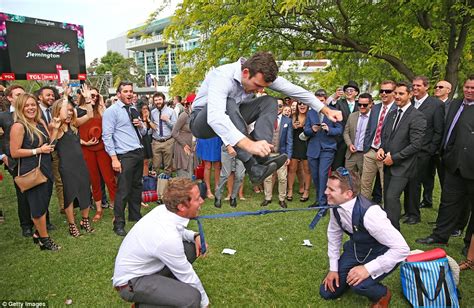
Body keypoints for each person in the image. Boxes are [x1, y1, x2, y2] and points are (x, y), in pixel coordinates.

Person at [190, 51, 342, 186]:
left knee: (269, 101)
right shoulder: (222, 76)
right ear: (245, 72)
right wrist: (248, 144)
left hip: (233, 113)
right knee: (228, 103)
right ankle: (252, 165)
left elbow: (295, 91)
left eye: (262, 86)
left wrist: (325, 109)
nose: (259, 90)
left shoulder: (260, 74)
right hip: (201, 121)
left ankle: (261, 158)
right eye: (257, 85)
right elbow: (215, 117)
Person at [113, 178, 209, 308]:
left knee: (190, 248)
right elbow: (187, 275)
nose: (202, 201)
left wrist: (194, 236)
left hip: (146, 272)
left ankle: (159, 296)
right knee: (192, 298)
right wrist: (205, 303)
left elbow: (179, 230)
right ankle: (143, 305)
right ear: (181, 206)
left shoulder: (164, 210)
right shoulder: (167, 237)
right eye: (197, 199)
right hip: (130, 284)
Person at [320, 168, 409, 307]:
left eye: (331, 189)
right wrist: (333, 268)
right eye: (327, 187)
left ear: (348, 194)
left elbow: (402, 249)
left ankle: (382, 293)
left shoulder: (371, 214)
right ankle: (351, 275)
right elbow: (334, 235)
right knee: (327, 292)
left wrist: (368, 269)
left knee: (359, 285)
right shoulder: (336, 206)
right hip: (357, 249)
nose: (326, 192)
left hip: (381, 252)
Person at [416, 75, 474, 245]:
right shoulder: (455, 104)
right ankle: (439, 236)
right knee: (447, 203)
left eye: (473, 88)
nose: (469, 91)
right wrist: (445, 153)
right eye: (467, 87)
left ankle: (469, 244)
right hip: (452, 163)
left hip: (471, 166)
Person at [10, 93, 59, 250]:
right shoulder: (18, 126)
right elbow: (15, 152)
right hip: (31, 171)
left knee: (43, 203)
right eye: (27, 105)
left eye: (33, 105)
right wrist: (37, 150)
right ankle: (45, 240)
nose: (31, 108)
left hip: (45, 168)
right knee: (38, 206)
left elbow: (49, 143)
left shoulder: (40, 122)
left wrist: (55, 130)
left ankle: (38, 234)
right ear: (20, 108)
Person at [377, 81, 426, 230]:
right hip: (388, 164)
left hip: (403, 166)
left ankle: (394, 235)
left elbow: (416, 145)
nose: (397, 96)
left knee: (392, 198)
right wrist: (381, 148)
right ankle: (387, 232)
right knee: (387, 199)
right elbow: (386, 137)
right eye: (396, 93)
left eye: (401, 94)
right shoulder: (392, 114)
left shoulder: (417, 116)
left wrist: (395, 158)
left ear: (410, 95)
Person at [103, 81, 147, 236]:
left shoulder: (133, 109)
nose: (129, 94)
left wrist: (141, 125)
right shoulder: (111, 111)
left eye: (131, 91)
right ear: (118, 94)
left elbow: (143, 133)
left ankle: (135, 216)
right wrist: (114, 159)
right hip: (124, 155)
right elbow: (107, 137)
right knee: (123, 190)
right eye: (126, 91)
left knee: (136, 187)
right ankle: (118, 224)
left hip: (138, 152)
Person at [50, 89, 95, 237]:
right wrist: (64, 96)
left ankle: (85, 220)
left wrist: (88, 100)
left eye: (71, 110)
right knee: (69, 195)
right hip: (67, 167)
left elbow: (90, 115)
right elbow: (51, 146)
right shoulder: (56, 127)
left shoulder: (74, 125)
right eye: (66, 110)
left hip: (81, 164)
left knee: (85, 191)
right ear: (58, 111)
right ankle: (72, 225)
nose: (69, 113)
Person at [78, 86, 117, 222]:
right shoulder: (78, 111)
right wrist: (84, 143)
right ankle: (99, 209)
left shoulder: (101, 111)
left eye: (95, 95)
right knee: (94, 180)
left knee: (109, 179)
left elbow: (110, 127)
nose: (93, 98)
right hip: (87, 150)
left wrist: (101, 105)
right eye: (91, 95)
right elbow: (72, 131)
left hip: (103, 149)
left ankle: (115, 208)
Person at [360, 81, 397, 202]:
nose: (384, 93)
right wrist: (367, 147)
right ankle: (363, 209)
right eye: (382, 91)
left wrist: (389, 151)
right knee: (365, 184)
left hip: (385, 154)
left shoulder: (398, 109)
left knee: (385, 185)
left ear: (394, 92)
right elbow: (370, 128)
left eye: (388, 91)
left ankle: (386, 214)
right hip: (370, 151)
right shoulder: (375, 108)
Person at [304, 92, 343, 208]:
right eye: (317, 101)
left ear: (326, 100)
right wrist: (312, 129)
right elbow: (306, 131)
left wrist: (328, 129)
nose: (319, 103)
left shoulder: (333, 111)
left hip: (328, 148)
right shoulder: (310, 113)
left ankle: (323, 204)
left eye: (321, 101)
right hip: (313, 149)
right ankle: (319, 199)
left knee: (323, 175)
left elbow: (339, 130)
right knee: (315, 176)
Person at [261, 98, 293, 208]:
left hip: (281, 154)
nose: (277, 108)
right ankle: (267, 198)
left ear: (283, 107)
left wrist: (288, 155)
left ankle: (282, 199)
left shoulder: (287, 121)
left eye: (279, 106)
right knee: (268, 177)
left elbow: (289, 140)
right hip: (268, 154)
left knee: (282, 178)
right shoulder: (266, 119)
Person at [37, 86, 64, 215]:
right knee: (44, 185)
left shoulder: (55, 110)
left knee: (60, 179)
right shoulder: (34, 112)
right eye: (48, 95)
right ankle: (43, 214)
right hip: (41, 154)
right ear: (40, 97)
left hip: (57, 150)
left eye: (52, 95)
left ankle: (64, 206)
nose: (51, 97)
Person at [331, 81, 360, 170]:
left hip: (355, 140)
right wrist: (334, 97)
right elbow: (330, 105)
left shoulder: (360, 104)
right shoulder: (339, 103)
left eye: (351, 90)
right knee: (337, 165)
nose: (349, 92)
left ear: (356, 93)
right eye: (346, 90)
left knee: (352, 168)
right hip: (340, 139)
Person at [343, 93, 373, 175]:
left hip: (365, 155)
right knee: (347, 180)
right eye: (360, 104)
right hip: (351, 154)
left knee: (363, 182)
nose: (362, 107)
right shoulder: (352, 116)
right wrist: (349, 144)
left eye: (365, 105)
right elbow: (346, 132)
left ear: (370, 104)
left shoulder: (374, 117)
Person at [287, 102, 311, 202]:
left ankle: (306, 191)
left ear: (308, 105)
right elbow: (288, 130)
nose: (302, 106)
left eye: (304, 104)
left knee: (307, 170)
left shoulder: (310, 116)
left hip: (307, 145)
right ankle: (290, 190)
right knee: (292, 169)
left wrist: (308, 129)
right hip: (295, 144)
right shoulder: (293, 116)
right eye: (300, 104)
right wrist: (293, 127)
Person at [150, 92, 177, 175]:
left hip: (168, 141)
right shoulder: (153, 112)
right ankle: (155, 186)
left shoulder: (171, 111)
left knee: (168, 166)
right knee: (155, 166)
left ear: (164, 100)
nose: (158, 102)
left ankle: (167, 185)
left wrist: (167, 120)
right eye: (156, 100)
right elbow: (151, 125)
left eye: (160, 99)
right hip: (156, 142)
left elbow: (176, 127)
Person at [171, 94, 195, 178]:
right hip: (182, 148)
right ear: (188, 104)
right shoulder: (184, 115)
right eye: (192, 103)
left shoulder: (194, 116)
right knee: (183, 177)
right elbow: (174, 132)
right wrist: (184, 144)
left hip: (191, 148)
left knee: (190, 175)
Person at [136, 100, 155, 177]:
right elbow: (142, 131)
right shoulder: (137, 116)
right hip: (139, 140)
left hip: (146, 139)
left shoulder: (148, 116)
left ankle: (146, 179)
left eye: (146, 108)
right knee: (140, 162)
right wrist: (144, 118)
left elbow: (147, 129)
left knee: (146, 161)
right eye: (143, 108)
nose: (145, 110)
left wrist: (147, 118)